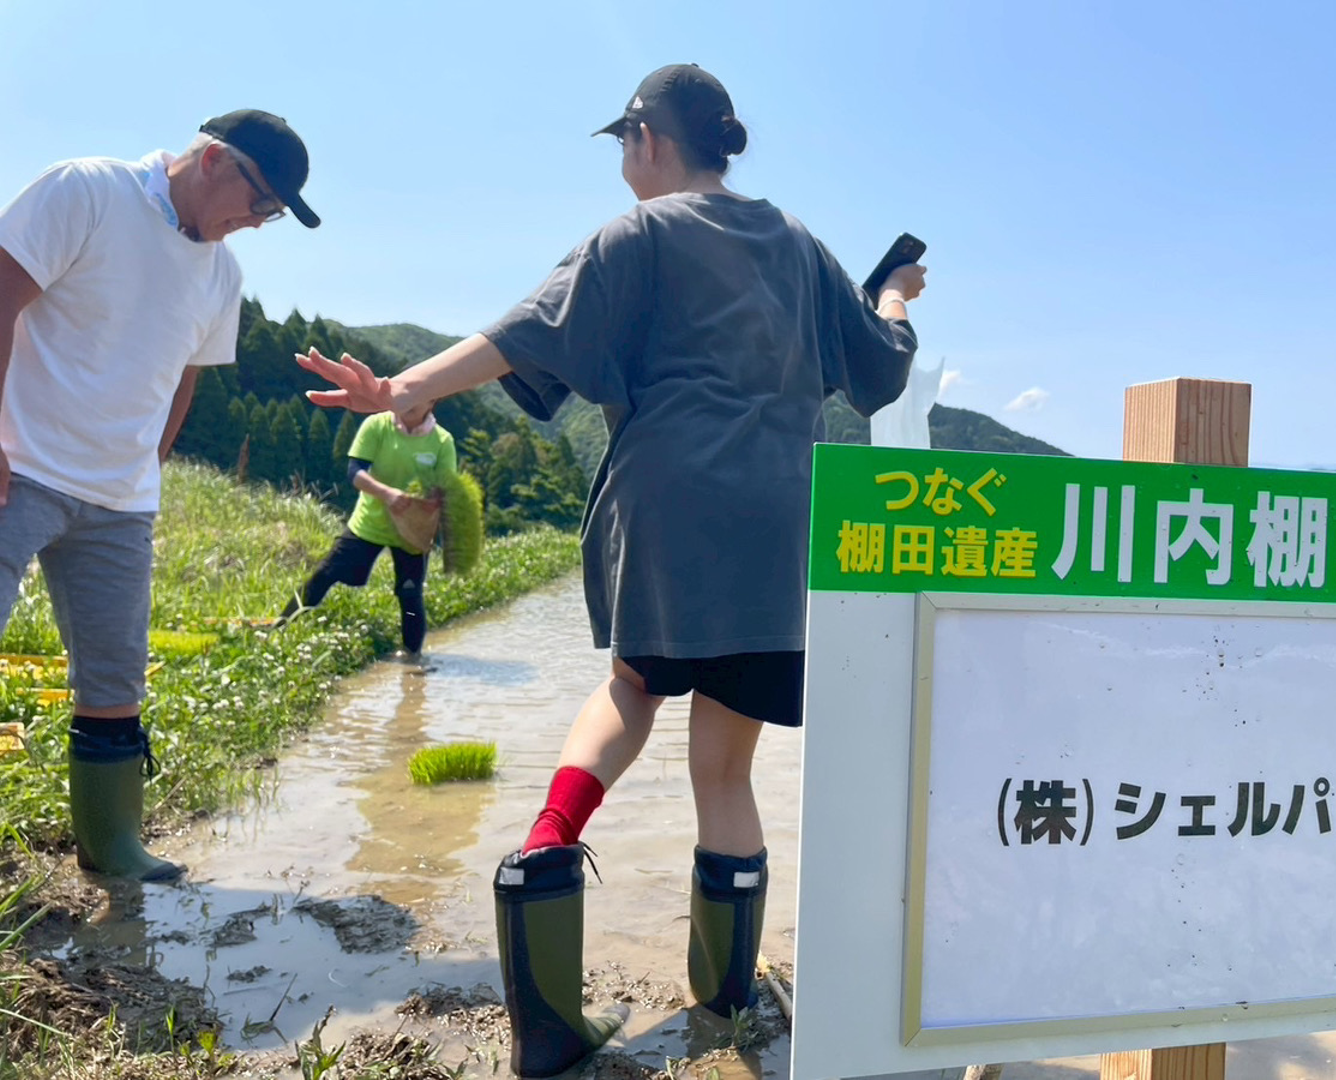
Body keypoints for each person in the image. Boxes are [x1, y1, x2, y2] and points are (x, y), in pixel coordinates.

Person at [299, 63, 923, 1077]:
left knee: (633, 688)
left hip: (666, 502)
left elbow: (525, 329)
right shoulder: (799, 242)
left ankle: (550, 869)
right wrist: (891, 294)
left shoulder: (639, 234)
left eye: (622, 144)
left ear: (646, 138)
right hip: (777, 518)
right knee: (725, 764)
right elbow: (881, 366)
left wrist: (409, 386)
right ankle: (724, 1005)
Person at [0, 110, 321, 882]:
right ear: (212, 160)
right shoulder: (88, 191)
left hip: (120, 500)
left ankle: (111, 845)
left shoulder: (222, 275)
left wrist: (146, 467)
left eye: (273, 214)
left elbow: (182, 380)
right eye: (260, 201)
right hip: (21, 466)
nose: (257, 221)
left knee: (115, 678)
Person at [278, 401, 456, 659]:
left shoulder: (442, 441)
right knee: (325, 574)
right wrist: (388, 494)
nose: (409, 402)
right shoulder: (377, 425)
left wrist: (435, 498)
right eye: (405, 395)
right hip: (369, 523)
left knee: (409, 592)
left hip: (412, 530)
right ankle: (280, 628)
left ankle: (412, 659)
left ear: (432, 400)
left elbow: (445, 486)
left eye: (418, 396)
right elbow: (355, 472)